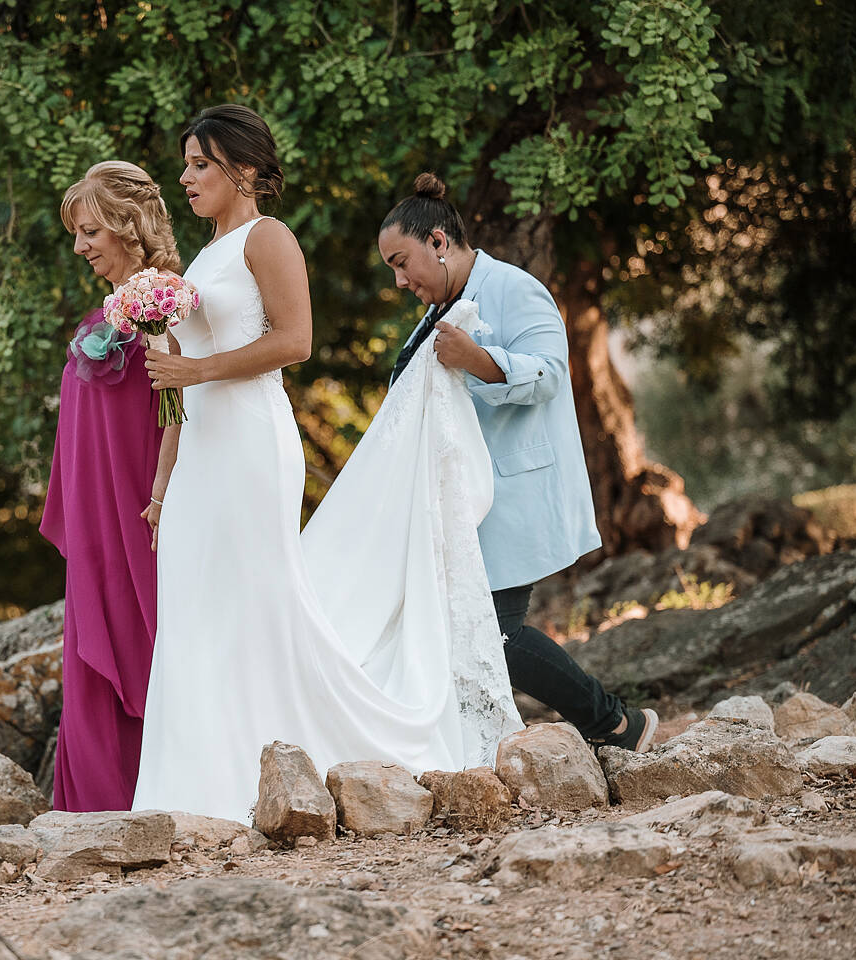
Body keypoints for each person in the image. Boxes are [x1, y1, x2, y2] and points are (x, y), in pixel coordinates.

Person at [132, 105, 520, 822]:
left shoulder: (268, 238)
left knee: (254, 600)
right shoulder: (202, 257)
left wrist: (197, 369)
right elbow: (184, 371)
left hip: (250, 444)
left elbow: (296, 341)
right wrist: (162, 472)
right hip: (201, 447)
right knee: (193, 605)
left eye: (200, 164)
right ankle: (196, 787)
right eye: (185, 164)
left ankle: (295, 768)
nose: (185, 178)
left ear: (244, 171)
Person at [376, 172, 659, 752]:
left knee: (496, 635)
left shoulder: (516, 289)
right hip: (463, 504)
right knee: (461, 631)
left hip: (513, 494)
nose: (400, 280)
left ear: (437, 241)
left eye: (402, 263)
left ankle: (617, 725)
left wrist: (478, 359)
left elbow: (550, 373)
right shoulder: (435, 314)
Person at [40, 160, 181, 811]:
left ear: (128, 225)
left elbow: (177, 411)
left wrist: (160, 497)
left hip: (137, 514)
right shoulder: (104, 315)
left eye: (90, 231)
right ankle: (93, 803)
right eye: (77, 233)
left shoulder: (166, 310)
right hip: (93, 514)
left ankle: (146, 795)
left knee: (141, 638)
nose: (79, 247)